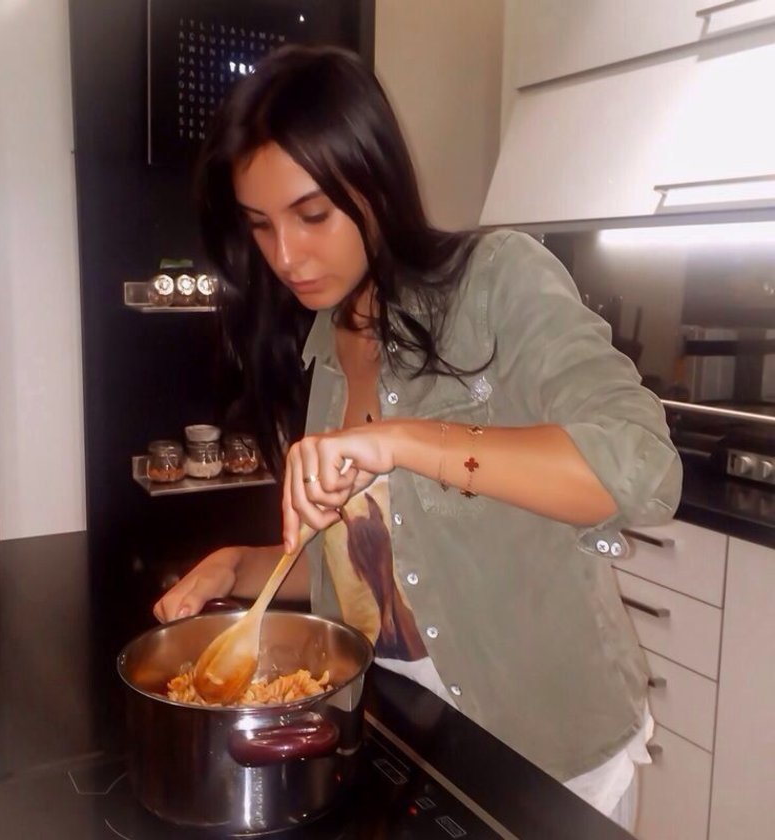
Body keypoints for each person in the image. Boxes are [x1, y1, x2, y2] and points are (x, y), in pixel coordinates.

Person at [154, 44, 682, 829]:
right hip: (412, 734)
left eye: (312, 215)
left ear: (374, 183)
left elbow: (643, 467)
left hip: (549, 748)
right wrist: (238, 564)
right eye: (261, 225)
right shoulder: (318, 349)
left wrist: (402, 441)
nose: (286, 256)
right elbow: (359, 569)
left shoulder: (496, 280)